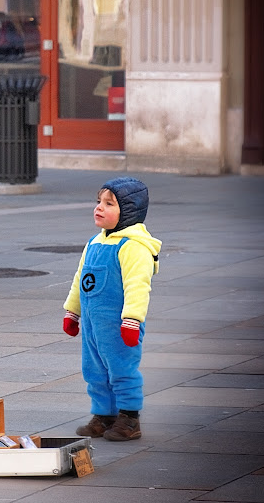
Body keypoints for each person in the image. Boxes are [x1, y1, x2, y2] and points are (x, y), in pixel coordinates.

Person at [61, 177, 161, 441]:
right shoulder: (94, 243)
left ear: (128, 210)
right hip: (94, 325)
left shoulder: (133, 247)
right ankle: (104, 415)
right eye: (98, 202)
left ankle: (129, 418)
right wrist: (72, 312)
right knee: (94, 369)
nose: (99, 208)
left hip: (119, 326)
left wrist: (132, 320)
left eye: (109, 203)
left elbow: (138, 287)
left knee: (121, 369)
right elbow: (80, 280)